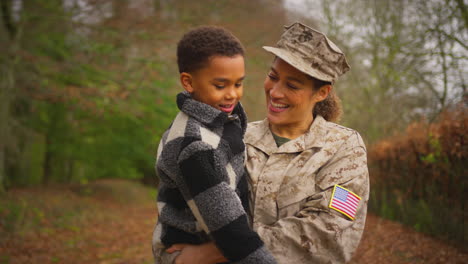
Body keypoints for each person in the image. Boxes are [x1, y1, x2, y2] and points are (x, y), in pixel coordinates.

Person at [165, 22, 370, 264]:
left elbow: (330, 235)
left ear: (322, 93)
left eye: (292, 85)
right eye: (273, 77)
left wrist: (215, 251)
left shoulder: (343, 148)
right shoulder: (233, 137)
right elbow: (181, 216)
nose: (275, 92)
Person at [152, 26, 277, 264]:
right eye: (220, 86)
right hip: (194, 246)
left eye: (238, 83)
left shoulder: (222, 120)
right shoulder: (195, 146)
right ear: (188, 82)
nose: (232, 94)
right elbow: (228, 227)